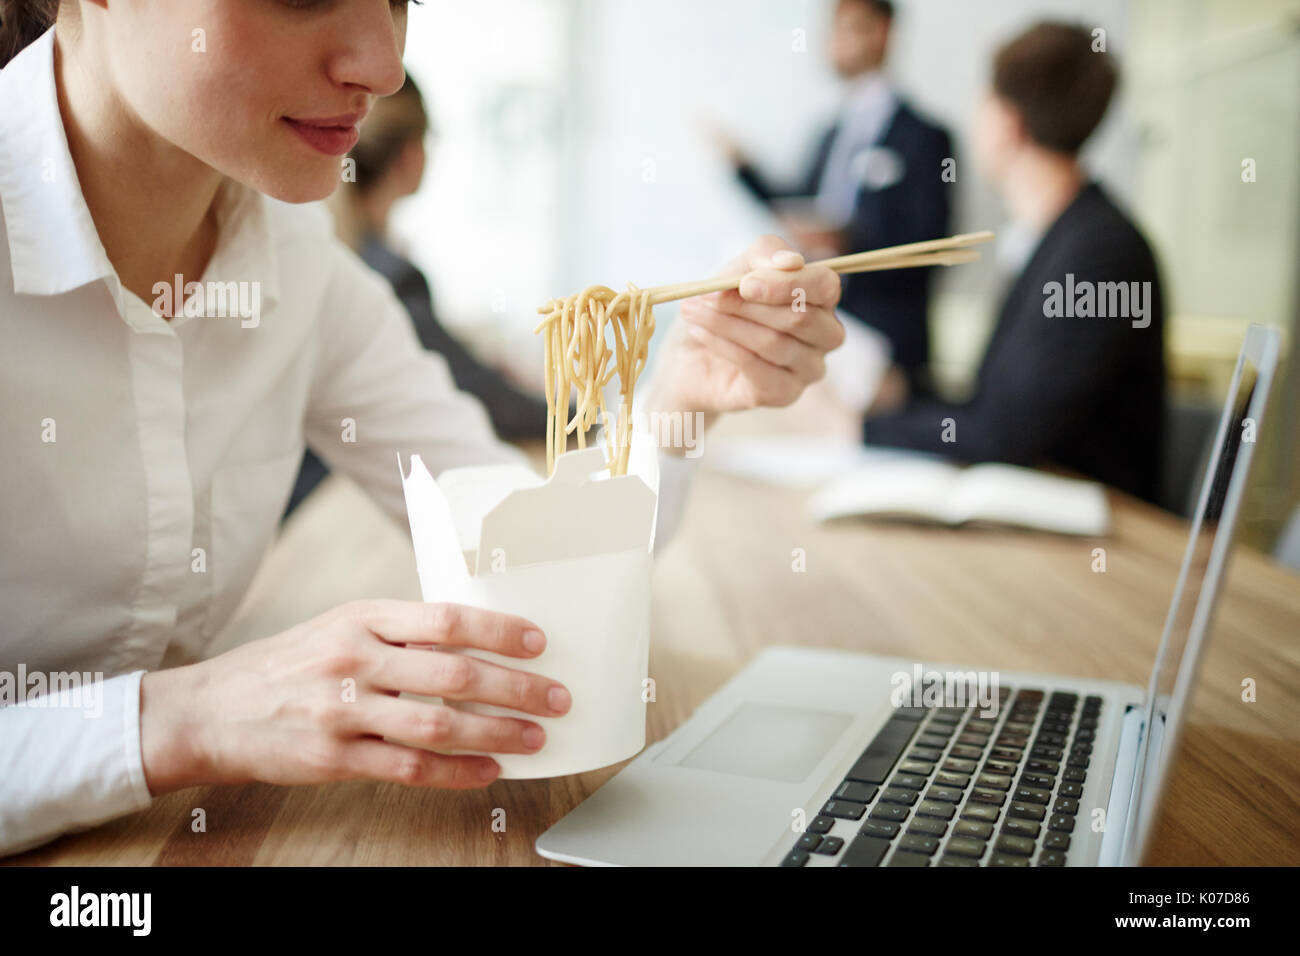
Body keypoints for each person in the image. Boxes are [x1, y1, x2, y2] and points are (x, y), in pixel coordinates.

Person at [0, 1, 846, 856]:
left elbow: (531, 549)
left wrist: (678, 400)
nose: (384, 65)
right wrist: (180, 717)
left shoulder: (301, 272)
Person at [862, 21, 1166, 504]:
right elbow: (1001, 402)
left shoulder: (1100, 254)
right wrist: (900, 395)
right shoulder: (1056, 237)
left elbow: (1006, 433)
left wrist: (864, 427)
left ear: (1008, 123)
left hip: (1099, 532)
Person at [284, 73, 551, 518]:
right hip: (317, 523)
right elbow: (480, 395)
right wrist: (585, 418)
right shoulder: (383, 278)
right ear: (411, 156)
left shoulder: (349, 260)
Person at [719, 0, 953, 393]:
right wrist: (744, 168)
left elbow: (933, 247)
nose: (834, 41)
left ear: (880, 33)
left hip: (887, 349)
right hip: (817, 334)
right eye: (834, 29)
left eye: (848, 28)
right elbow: (797, 206)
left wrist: (849, 239)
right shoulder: (828, 134)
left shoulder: (925, 137)